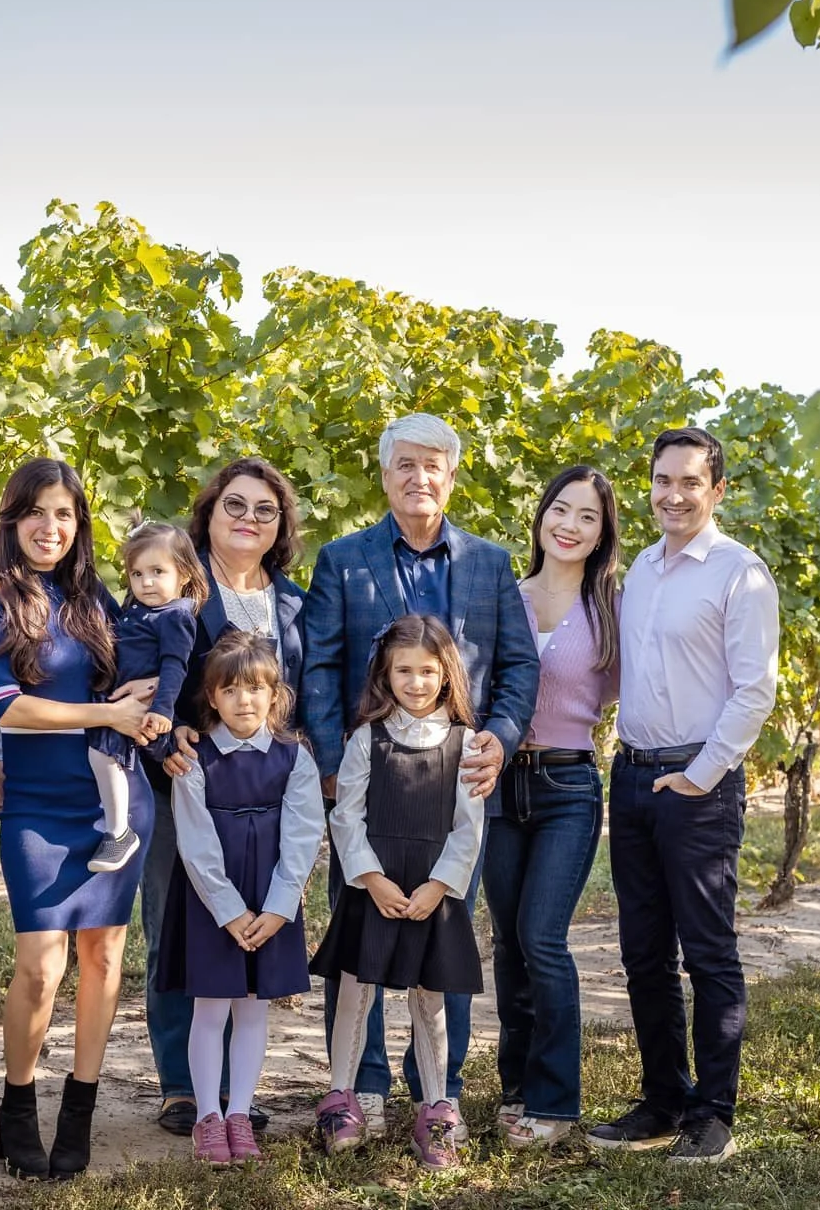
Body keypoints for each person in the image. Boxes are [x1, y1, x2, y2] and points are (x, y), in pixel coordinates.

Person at [301, 413, 539, 1137]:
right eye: (405, 464)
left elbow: (520, 666)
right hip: (369, 785)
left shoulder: (489, 565)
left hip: (457, 782)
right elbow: (318, 667)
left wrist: (494, 740)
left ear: (452, 475)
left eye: (433, 465)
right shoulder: (342, 560)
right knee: (362, 942)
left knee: (445, 938)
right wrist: (338, 768)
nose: (419, 477)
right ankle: (361, 1094)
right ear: (384, 474)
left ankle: (441, 1095)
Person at [0, 458, 160, 1182]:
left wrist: (147, 690)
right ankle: (18, 1106)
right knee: (41, 966)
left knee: (104, 955)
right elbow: (7, 707)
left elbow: (151, 655)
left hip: (114, 804)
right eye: (37, 512)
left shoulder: (94, 598)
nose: (52, 528)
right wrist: (108, 711)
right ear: (11, 519)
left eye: (66, 515)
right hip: (39, 807)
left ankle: (81, 1107)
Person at [585, 427, 779, 1165]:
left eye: (690, 481)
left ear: (717, 490)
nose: (674, 493)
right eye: (663, 480)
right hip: (632, 777)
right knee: (642, 953)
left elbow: (755, 688)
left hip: (696, 784)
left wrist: (703, 772)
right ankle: (663, 1099)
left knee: (708, 953)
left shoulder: (739, 573)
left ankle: (713, 1115)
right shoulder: (642, 567)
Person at [143, 457, 307, 1138]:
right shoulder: (179, 590)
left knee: (255, 930)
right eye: (234, 505)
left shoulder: (294, 602)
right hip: (182, 775)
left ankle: (237, 1096)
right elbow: (136, 671)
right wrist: (158, 736)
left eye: (264, 510)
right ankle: (185, 1088)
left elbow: (303, 688)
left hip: (266, 785)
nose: (248, 519)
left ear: (280, 525)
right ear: (208, 514)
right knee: (178, 929)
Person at [308, 615, 485, 1171]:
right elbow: (347, 816)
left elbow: (469, 826)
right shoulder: (368, 738)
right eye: (403, 670)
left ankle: (435, 1110)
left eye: (427, 671)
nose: (415, 682)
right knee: (357, 992)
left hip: (433, 889)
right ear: (386, 674)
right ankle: (342, 1099)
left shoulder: (466, 742)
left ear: (447, 674)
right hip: (376, 886)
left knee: (430, 1000)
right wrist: (371, 878)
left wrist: (438, 885)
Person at [483, 465, 622, 1148]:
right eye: (560, 510)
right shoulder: (505, 597)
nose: (569, 526)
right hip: (499, 784)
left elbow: (637, 691)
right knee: (508, 942)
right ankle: (517, 1086)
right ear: (541, 518)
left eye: (587, 517)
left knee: (542, 936)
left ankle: (557, 1101)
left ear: (602, 534)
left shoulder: (612, 609)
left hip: (568, 784)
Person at [154, 631, 326, 1166]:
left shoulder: (294, 757)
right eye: (230, 690)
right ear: (211, 698)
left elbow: (302, 835)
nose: (243, 700)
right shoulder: (194, 758)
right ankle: (207, 1115)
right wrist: (229, 912)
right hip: (215, 900)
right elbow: (195, 840)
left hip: (270, 896)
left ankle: (240, 1114)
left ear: (276, 695)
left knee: (253, 1011)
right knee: (209, 1009)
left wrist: (278, 909)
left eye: (255, 689)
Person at [85, 522, 206, 874]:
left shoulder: (175, 616)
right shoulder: (142, 609)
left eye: (157, 572)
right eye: (137, 574)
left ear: (183, 574)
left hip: (142, 710)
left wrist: (163, 710)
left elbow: (174, 667)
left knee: (103, 754)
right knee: (106, 757)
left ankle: (119, 831)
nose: (146, 582)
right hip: (121, 702)